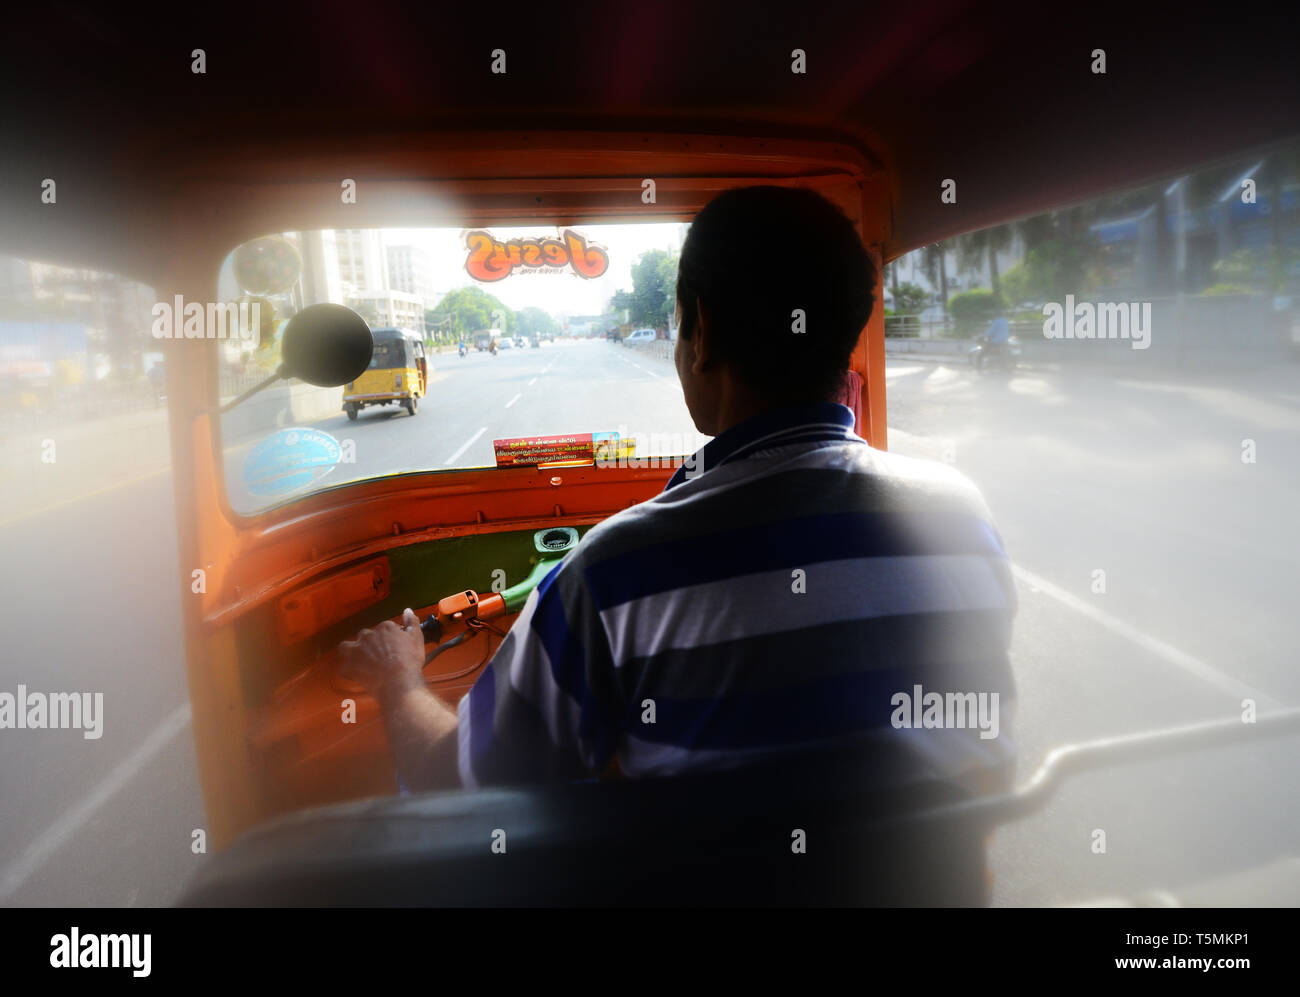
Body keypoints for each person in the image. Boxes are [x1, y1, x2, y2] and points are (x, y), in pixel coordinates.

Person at [340, 186, 1017, 816]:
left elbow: (458, 785)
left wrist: (398, 680)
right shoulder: (961, 517)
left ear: (704, 330)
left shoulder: (616, 573)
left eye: (677, 323)